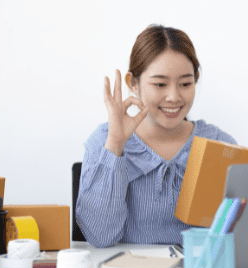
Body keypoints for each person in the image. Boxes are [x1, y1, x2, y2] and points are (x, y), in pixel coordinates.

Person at [76, 24, 237, 248]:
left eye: (186, 83)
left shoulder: (220, 144)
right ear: (133, 83)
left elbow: (233, 236)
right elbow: (100, 237)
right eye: (160, 84)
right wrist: (115, 144)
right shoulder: (104, 139)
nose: (174, 96)